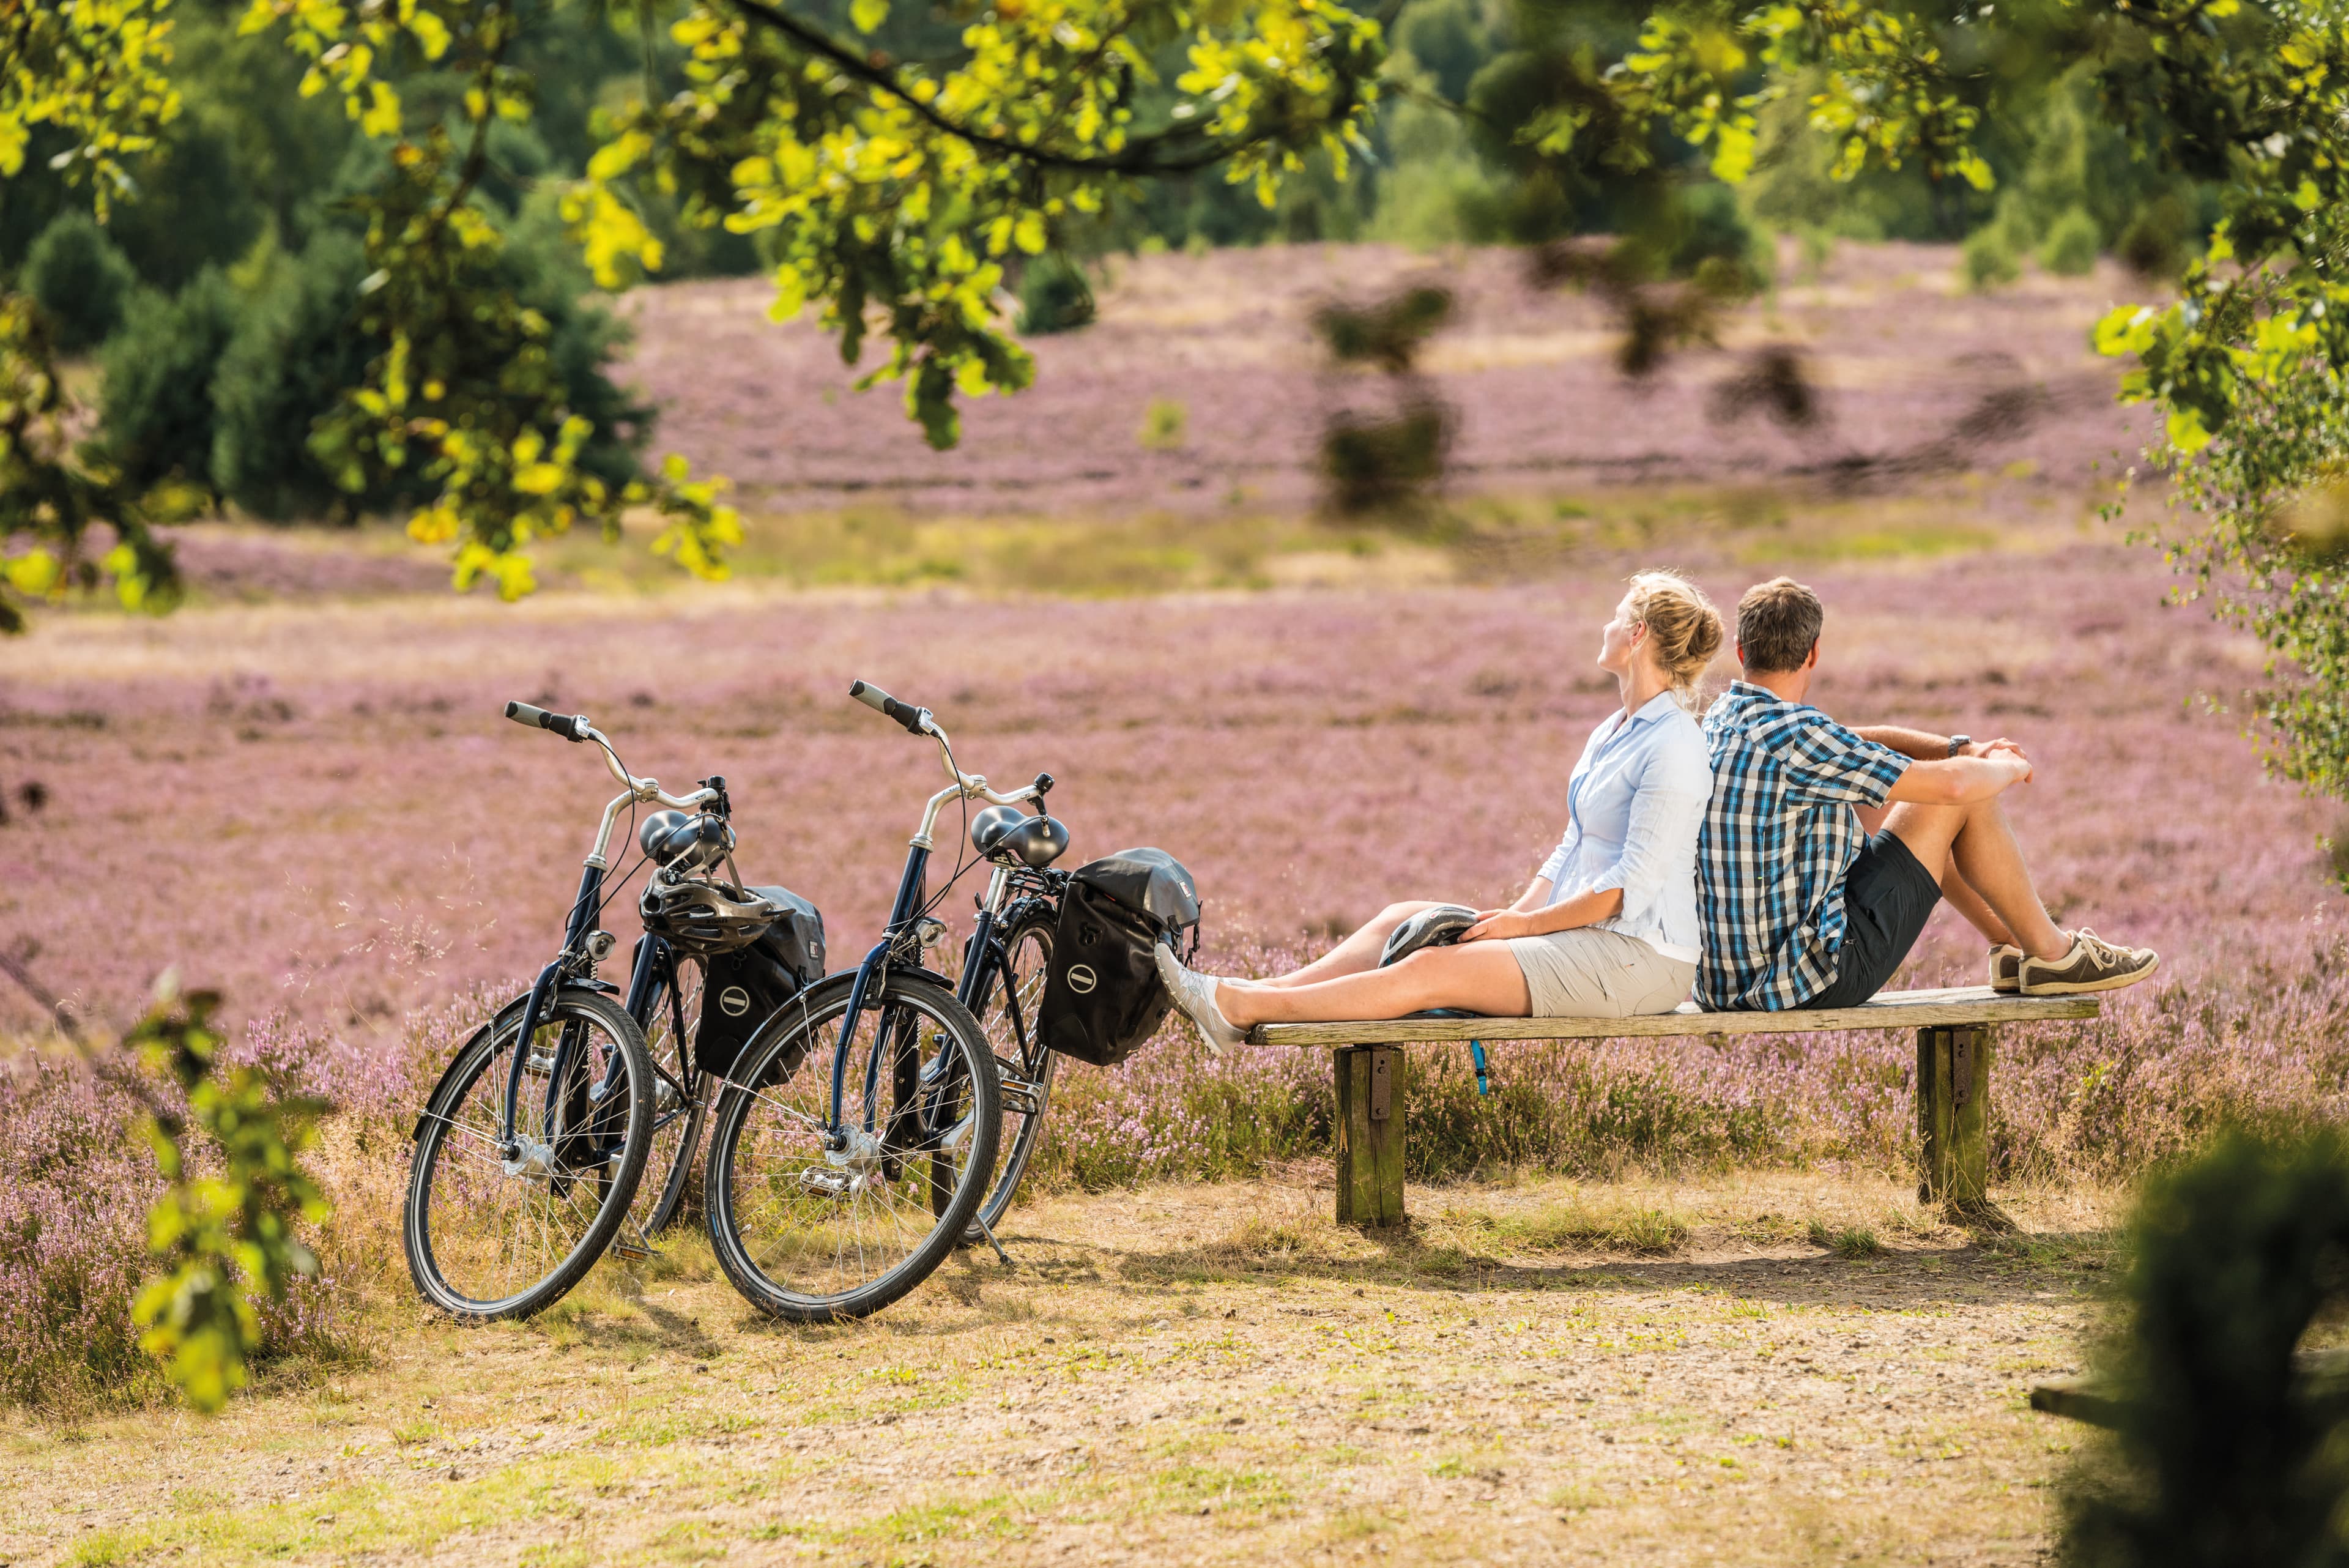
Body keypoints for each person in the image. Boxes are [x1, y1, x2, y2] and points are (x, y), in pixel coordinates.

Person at [1157, 571, 1723, 1052]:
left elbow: (1628, 889)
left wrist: (1521, 928)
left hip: (1639, 957)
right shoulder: (1613, 730)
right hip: (1582, 936)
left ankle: (1242, 1006)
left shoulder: (1673, 745)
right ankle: (1247, 993)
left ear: (1638, 633)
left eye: (1616, 615)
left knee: (1433, 970)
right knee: (1397, 918)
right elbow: (1572, 845)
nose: (1605, 625)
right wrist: (1509, 918)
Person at [1698, 576, 2158, 1012]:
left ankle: (2015, 948)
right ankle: (2052, 953)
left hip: (1724, 982)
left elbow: (1849, 738)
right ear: (1814, 653)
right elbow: (1953, 784)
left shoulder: (1723, 720)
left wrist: (1958, 748)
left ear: (1740, 650)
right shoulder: (1801, 737)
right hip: (1810, 978)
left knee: (1932, 792)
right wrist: (2005, 766)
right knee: (1963, 797)